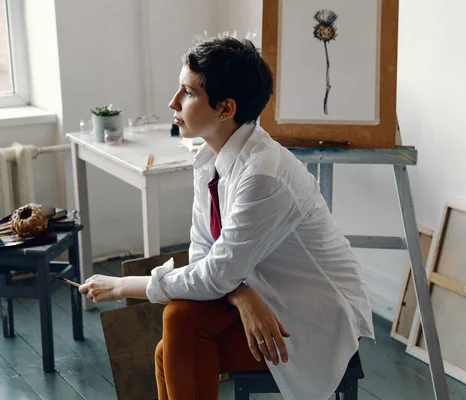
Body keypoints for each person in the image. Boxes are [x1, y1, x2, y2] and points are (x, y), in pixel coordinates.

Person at [78, 36, 374, 400]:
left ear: (225, 108)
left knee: (179, 328)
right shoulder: (209, 159)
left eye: (186, 92)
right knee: (175, 335)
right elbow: (205, 253)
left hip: (316, 311)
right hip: (265, 289)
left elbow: (215, 273)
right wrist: (241, 293)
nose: (173, 102)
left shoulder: (263, 175)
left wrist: (124, 286)